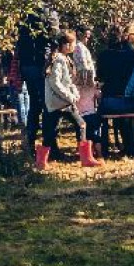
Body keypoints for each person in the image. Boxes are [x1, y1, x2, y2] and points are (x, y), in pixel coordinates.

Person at [40, 32, 101, 170]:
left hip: (57, 102)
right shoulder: (60, 60)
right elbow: (55, 82)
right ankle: (86, 158)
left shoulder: (61, 58)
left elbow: (67, 81)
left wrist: (73, 91)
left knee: (51, 131)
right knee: (81, 125)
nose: (75, 46)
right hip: (62, 102)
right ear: (66, 45)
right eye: (73, 43)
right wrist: (70, 96)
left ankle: (41, 161)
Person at [96, 24, 134, 158]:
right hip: (132, 102)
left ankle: (106, 147)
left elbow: (100, 77)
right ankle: (130, 148)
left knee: (102, 111)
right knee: (126, 118)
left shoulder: (103, 55)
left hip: (110, 102)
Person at [14, 10, 55, 157]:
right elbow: (52, 40)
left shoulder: (24, 16)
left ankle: (30, 142)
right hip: (40, 63)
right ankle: (49, 146)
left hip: (26, 65)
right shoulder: (48, 15)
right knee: (47, 105)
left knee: (34, 106)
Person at [70, 26, 100, 156]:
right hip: (84, 88)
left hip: (85, 88)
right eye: (86, 36)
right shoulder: (79, 48)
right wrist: (92, 84)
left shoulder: (81, 47)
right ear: (79, 34)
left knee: (85, 123)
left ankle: (88, 150)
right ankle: (90, 152)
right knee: (87, 122)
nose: (88, 39)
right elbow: (83, 69)